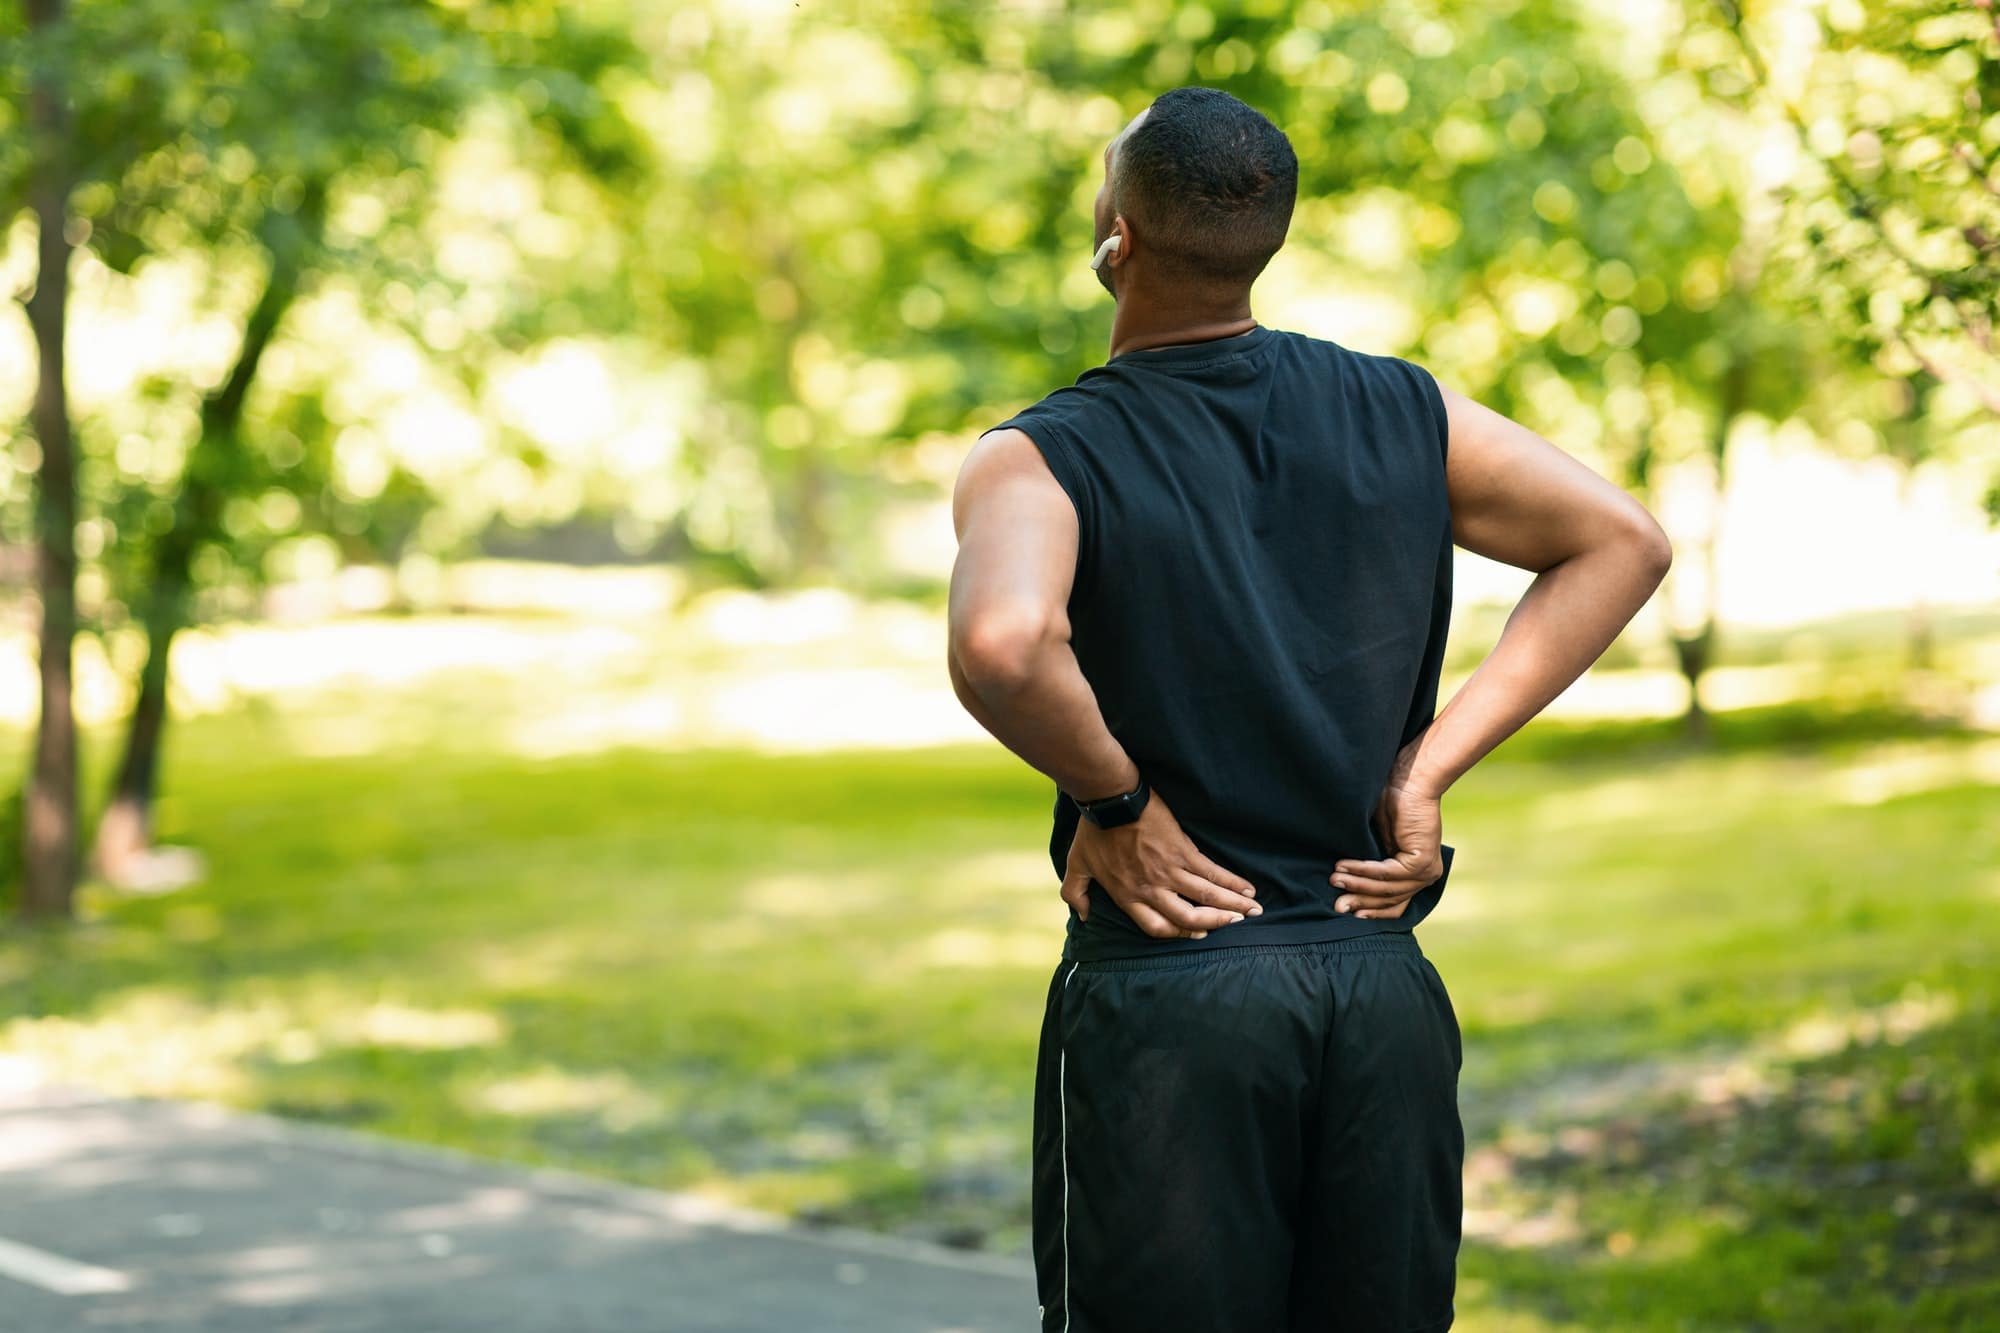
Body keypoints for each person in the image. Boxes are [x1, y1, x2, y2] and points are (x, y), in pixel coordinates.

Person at [946, 86, 1672, 1333]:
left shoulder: (1040, 453)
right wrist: (1426, 769)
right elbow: (1621, 541)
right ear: (1264, 240)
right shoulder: (1406, 410)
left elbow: (1004, 643)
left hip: (1176, 992)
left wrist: (1114, 796)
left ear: (1116, 236)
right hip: (1377, 986)